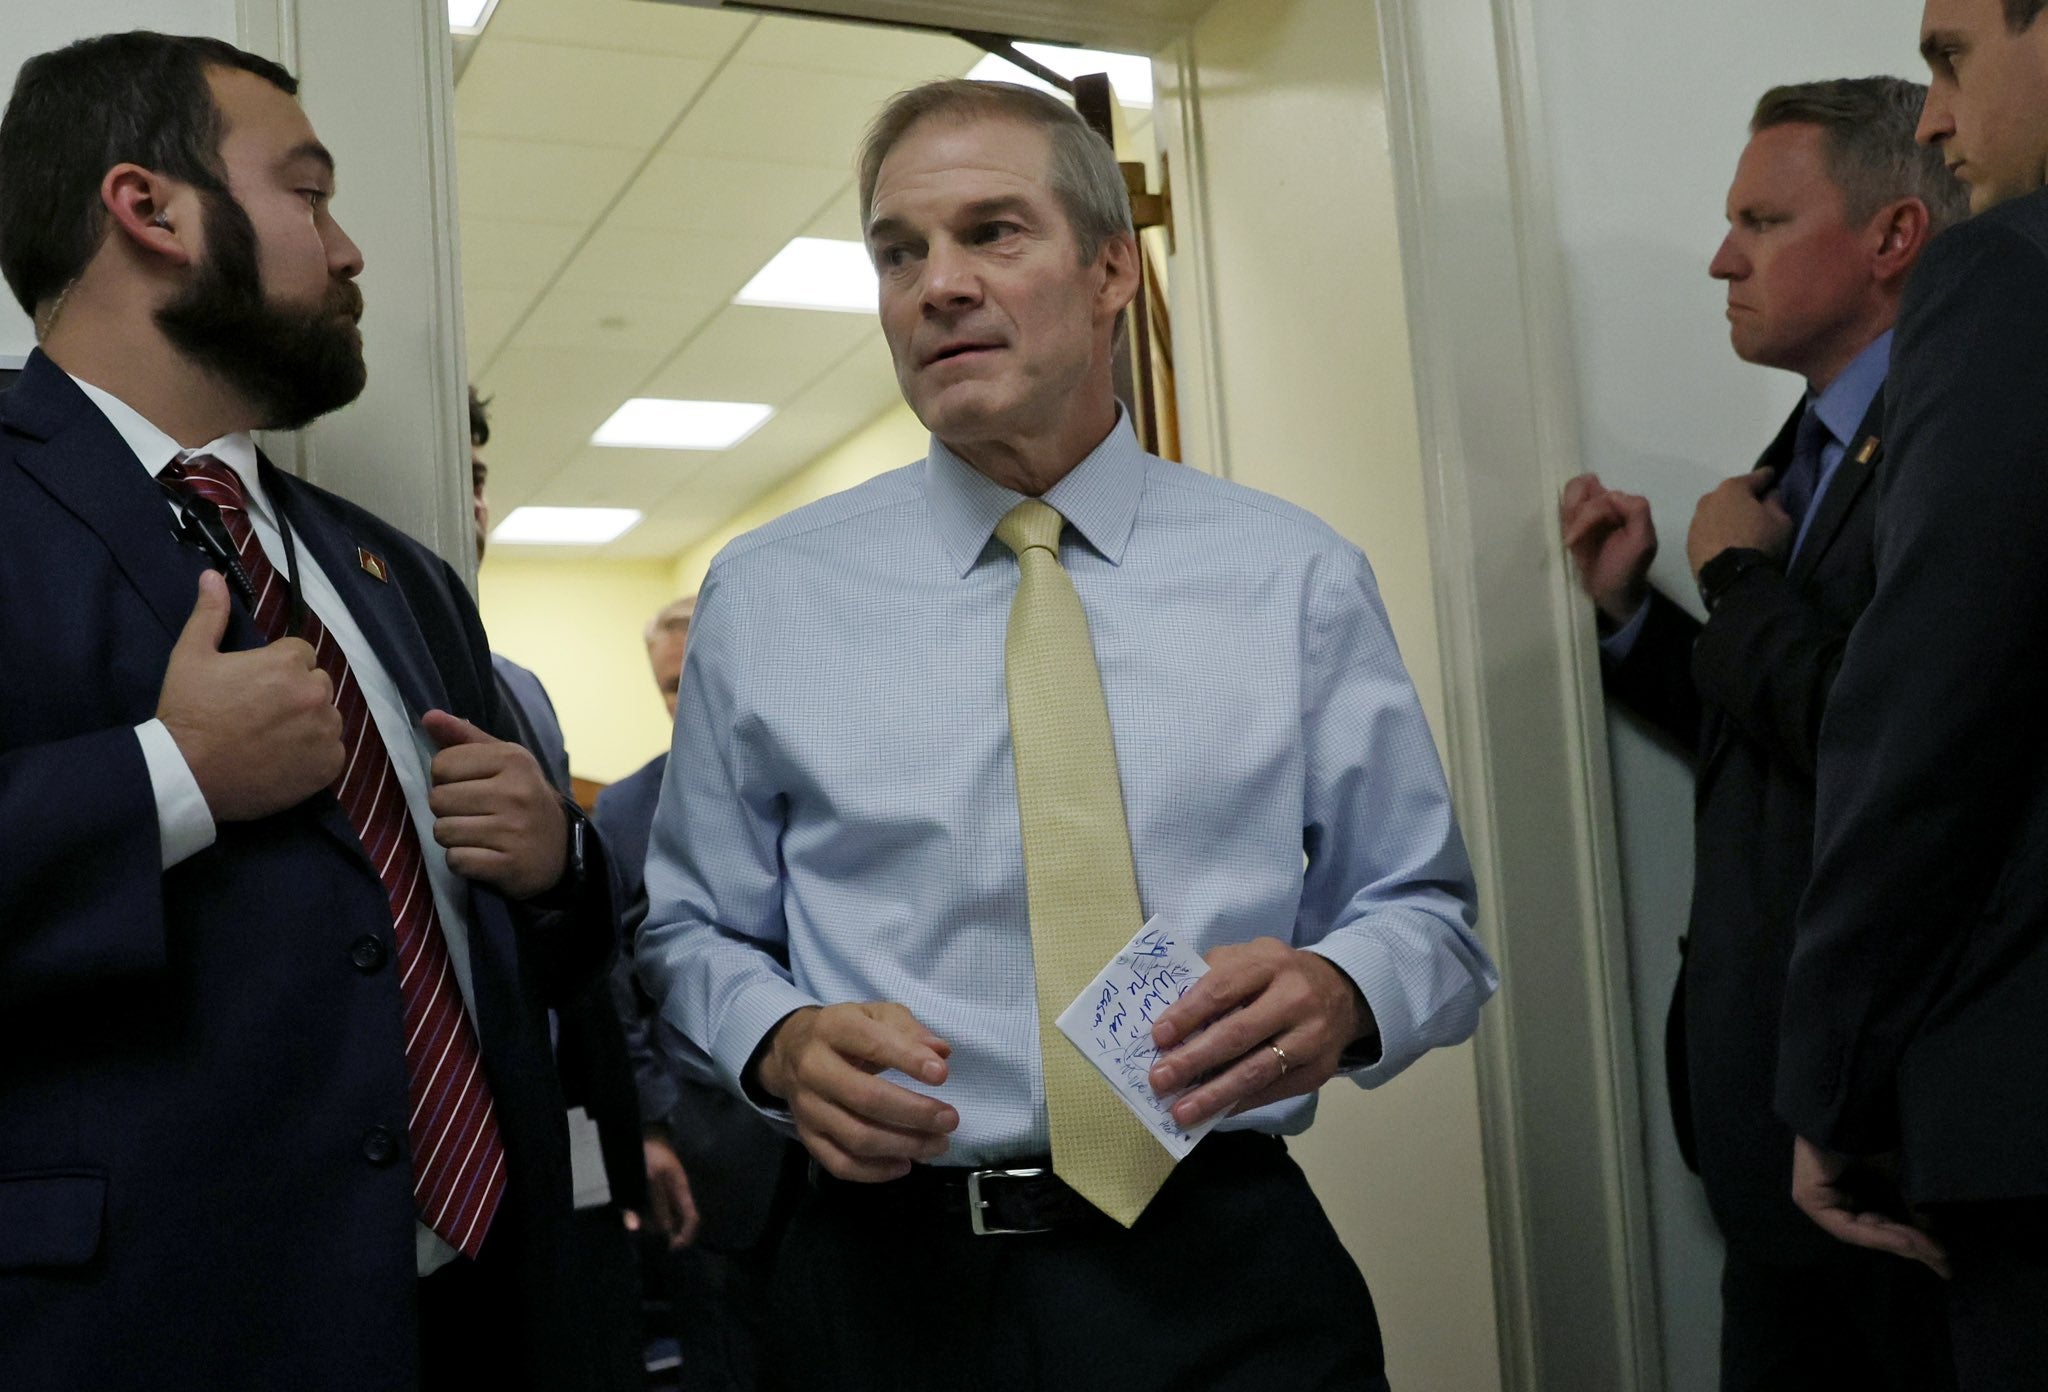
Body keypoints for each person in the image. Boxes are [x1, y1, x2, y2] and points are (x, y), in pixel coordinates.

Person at [637, 78, 1495, 1392]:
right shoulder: (769, 594)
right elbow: (692, 926)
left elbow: (1427, 913)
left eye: (993, 232)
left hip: (1223, 1268)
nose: (939, 285)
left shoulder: (1294, 577)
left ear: (1110, 273)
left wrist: (1348, 991)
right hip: (885, 1285)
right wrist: (776, 1040)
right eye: (898, 252)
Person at [0, 32, 613, 1392]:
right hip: (146, 1333)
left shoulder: (402, 578)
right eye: (311, 195)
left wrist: (557, 864)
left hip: (481, 1322)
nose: (347, 253)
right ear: (148, 209)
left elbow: (514, 948)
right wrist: (173, 776)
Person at [1558, 78, 1963, 1390]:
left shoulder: (1963, 440)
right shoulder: (1811, 451)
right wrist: (1638, 614)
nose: (1723, 256)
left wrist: (1738, 583)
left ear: (1895, 236)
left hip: (1900, 1153)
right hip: (1771, 1155)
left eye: (1763, 219)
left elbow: (1884, 735)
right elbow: (1784, 736)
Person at [1775, 1, 2048, 1383]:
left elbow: (1931, 714)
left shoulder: (2008, 278)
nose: (1934, 116)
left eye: (1950, 56)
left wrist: (1830, 1080)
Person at [468, 386, 647, 1392]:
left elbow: (582, 948)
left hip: (559, 1162)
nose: (475, 508)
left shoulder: (520, 691)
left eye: (483, 479)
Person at [599, 594, 800, 1392]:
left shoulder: (818, 775)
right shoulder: (624, 810)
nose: (684, 704)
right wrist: (650, 1126)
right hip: (706, 1154)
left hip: (844, 1156)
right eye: (670, 689)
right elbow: (615, 983)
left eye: (695, 681)